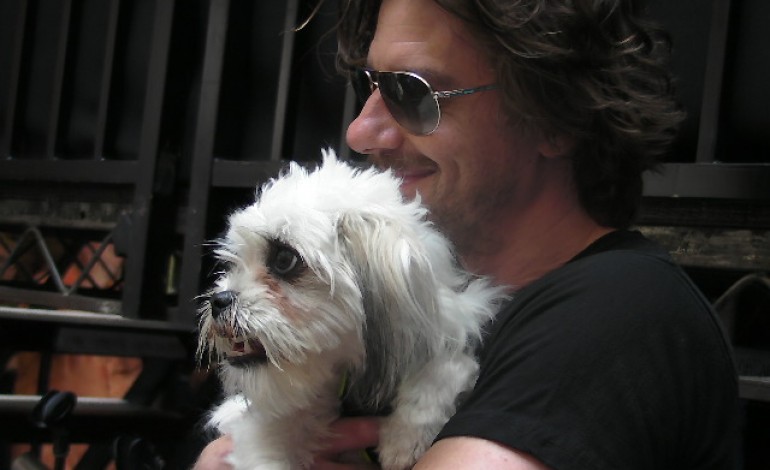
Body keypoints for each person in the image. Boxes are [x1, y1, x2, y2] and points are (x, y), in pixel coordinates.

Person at [195, 0, 741, 468]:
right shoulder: (398, 323)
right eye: (370, 85)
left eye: (411, 92)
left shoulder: (618, 313)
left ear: (554, 116)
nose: (360, 131)